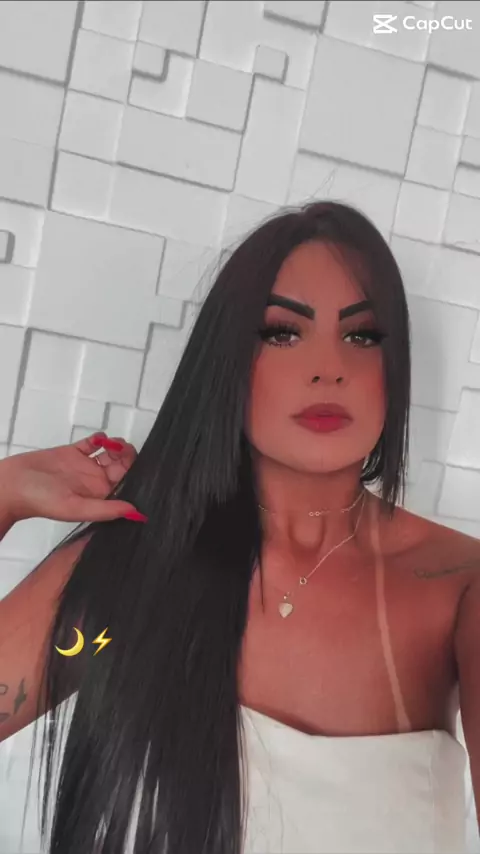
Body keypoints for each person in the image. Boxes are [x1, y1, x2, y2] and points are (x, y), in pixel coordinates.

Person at [0, 200, 479, 854]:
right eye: (283, 332)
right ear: (226, 361)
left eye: (362, 335)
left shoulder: (457, 587)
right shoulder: (133, 580)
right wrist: (5, 494)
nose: (328, 367)